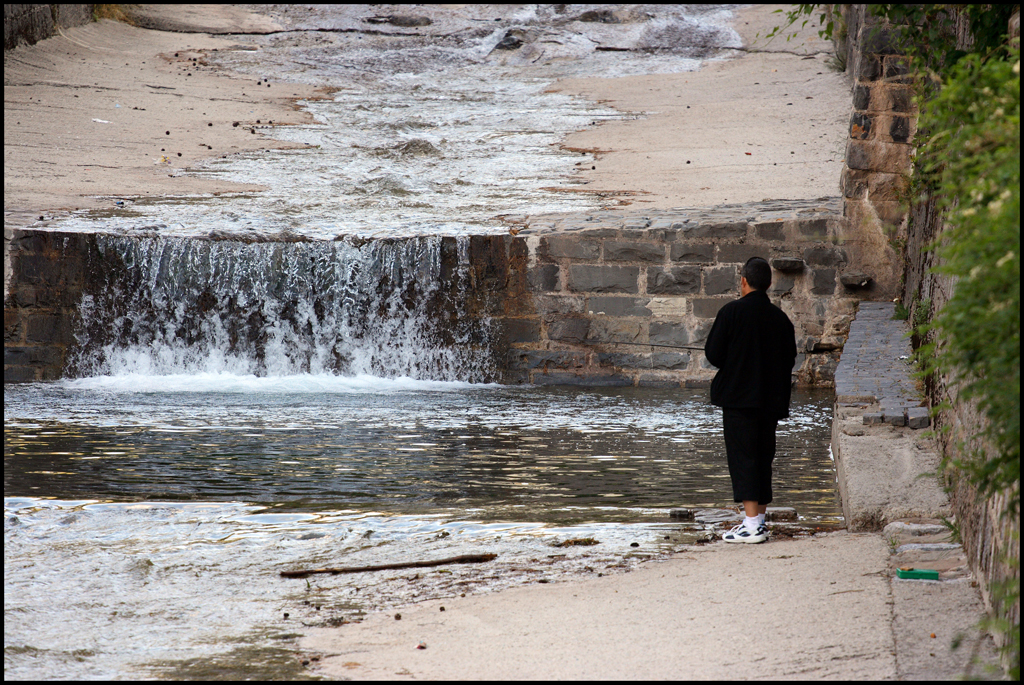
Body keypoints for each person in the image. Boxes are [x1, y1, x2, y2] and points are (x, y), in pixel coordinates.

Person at [703, 257, 797, 543]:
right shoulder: (781, 319)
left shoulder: (731, 312)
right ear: (769, 284)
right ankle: (759, 520)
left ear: (743, 281)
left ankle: (751, 525)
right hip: (770, 400)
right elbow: (789, 358)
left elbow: (714, 355)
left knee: (743, 457)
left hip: (739, 399)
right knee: (763, 456)